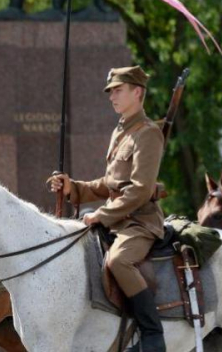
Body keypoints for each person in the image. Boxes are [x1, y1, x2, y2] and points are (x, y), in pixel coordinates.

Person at [49, 66, 166, 352]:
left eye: (118, 90)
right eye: (110, 91)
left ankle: (152, 334)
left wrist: (102, 214)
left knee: (119, 262)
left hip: (140, 222)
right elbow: (109, 184)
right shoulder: (121, 131)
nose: (112, 96)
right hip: (116, 221)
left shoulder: (148, 134)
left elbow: (139, 190)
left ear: (137, 92)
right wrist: (72, 188)